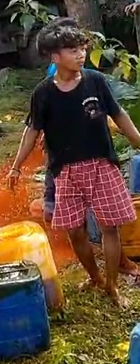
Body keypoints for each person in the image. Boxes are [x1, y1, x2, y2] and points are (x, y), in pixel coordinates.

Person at [8, 20, 140, 305]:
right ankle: (95, 276)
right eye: (73, 50)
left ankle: (113, 285)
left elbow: (118, 115)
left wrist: (137, 140)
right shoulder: (42, 94)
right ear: (55, 57)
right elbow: (32, 131)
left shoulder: (95, 81)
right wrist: (16, 166)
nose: (81, 54)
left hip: (102, 164)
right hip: (64, 170)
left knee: (110, 227)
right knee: (74, 230)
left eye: (82, 48)